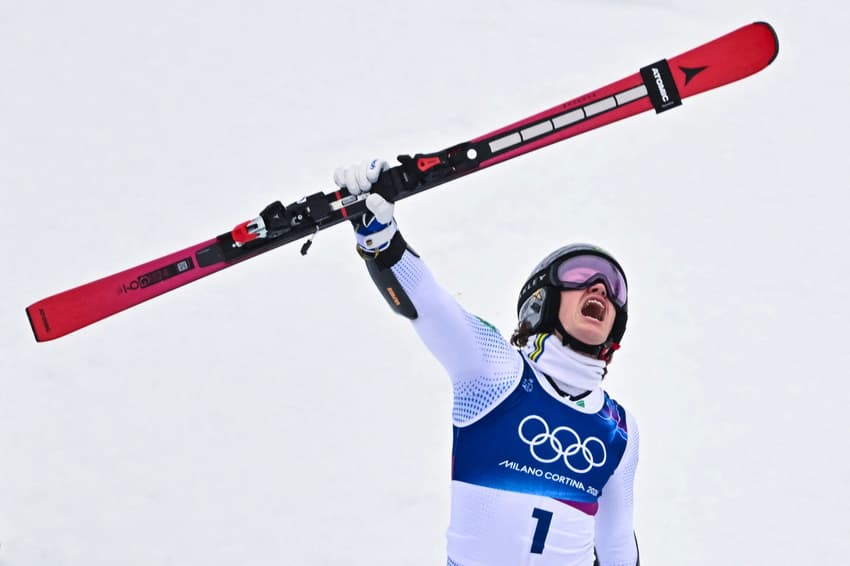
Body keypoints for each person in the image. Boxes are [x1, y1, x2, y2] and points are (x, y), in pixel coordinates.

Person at [334, 159, 640, 566]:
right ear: (540, 301)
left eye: (613, 288)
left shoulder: (619, 429)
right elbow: (427, 304)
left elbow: (617, 546)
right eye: (581, 274)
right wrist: (378, 236)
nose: (601, 287)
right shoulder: (496, 372)